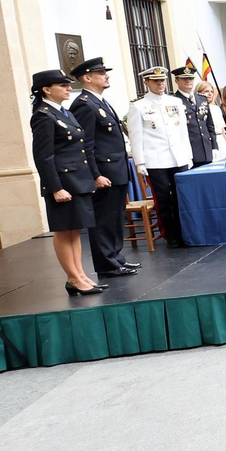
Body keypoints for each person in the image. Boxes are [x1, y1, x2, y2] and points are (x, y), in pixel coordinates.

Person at [30, 69, 104, 294]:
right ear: (46, 89)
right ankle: (73, 277)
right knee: (64, 231)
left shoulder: (64, 112)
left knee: (75, 231)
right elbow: (43, 157)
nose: (68, 88)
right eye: (62, 86)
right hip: (62, 183)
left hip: (77, 180)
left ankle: (80, 274)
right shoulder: (43, 115)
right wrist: (55, 188)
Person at [67, 58, 138, 279]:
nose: (106, 76)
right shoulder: (84, 104)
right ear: (87, 78)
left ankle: (115, 257)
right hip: (104, 171)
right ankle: (106, 264)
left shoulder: (100, 102)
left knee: (116, 217)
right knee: (104, 219)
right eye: (100, 73)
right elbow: (84, 144)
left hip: (115, 169)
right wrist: (95, 174)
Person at [127, 66, 193, 248]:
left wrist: (188, 155)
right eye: (155, 81)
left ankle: (184, 231)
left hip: (178, 157)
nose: (160, 84)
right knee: (163, 199)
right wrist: (140, 162)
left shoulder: (174, 102)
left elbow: (182, 132)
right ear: (146, 82)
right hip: (156, 160)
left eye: (162, 80)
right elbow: (136, 136)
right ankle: (169, 234)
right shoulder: (138, 106)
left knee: (181, 197)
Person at [171, 65, 219, 168]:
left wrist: (214, 147)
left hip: (207, 149)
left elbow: (209, 125)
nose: (188, 81)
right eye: (184, 78)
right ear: (177, 80)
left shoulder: (202, 99)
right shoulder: (173, 101)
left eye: (191, 78)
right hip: (190, 151)